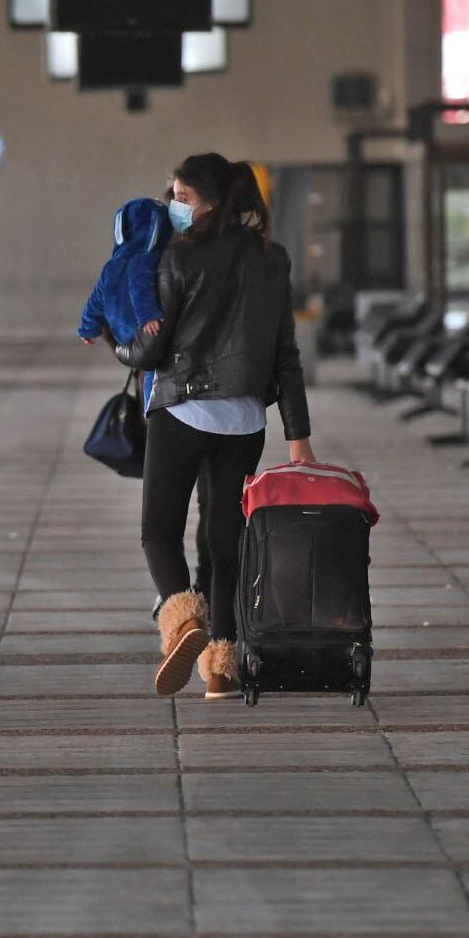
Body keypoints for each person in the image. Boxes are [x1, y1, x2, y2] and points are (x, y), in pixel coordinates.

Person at [117, 153, 314, 700]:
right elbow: (286, 353)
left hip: (182, 412)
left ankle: (184, 621)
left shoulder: (179, 257)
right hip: (244, 422)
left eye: (182, 197)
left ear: (209, 201)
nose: (173, 205)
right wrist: (298, 438)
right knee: (224, 541)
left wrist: (117, 344)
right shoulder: (272, 258)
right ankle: (221, 669)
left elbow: (153, 346)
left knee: (159, 531)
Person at [77, 196, 172, 347]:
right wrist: (148, 315)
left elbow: (96, 299)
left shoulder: (112, 265)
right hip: (144, 329)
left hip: (121, 334)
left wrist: (87, 327)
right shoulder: (146, 258)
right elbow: (139, 285)